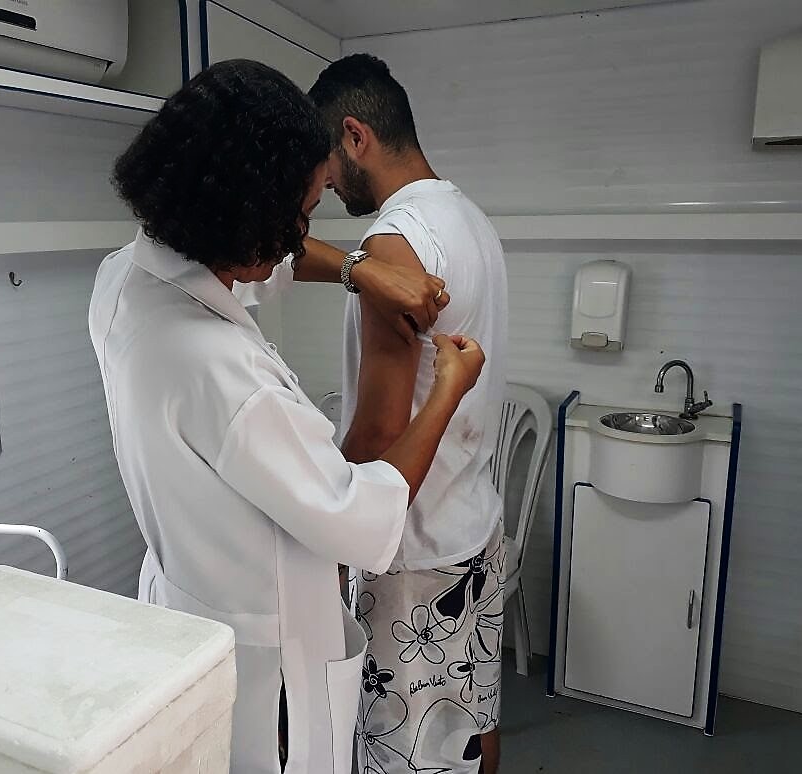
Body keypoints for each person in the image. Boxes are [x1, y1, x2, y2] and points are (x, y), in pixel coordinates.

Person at [88, 59, 486, 774]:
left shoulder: (125, 278)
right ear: (244, 219)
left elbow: (272, 266)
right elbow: (361, 511)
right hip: (265, 645)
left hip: (189, 597)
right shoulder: (222, 370)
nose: (303, 236)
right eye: (299, 216)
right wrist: (447, 391)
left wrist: (359, 269)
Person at [306, 54, 509, 774]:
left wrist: (327, 532)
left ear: (354, 136)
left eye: (327, 162)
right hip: (473, 526)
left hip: (411, 556)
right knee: (471, 723)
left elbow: (379, 431)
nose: (327, 185)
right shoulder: (468, 218)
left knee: (406, 750)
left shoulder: (395, 241)